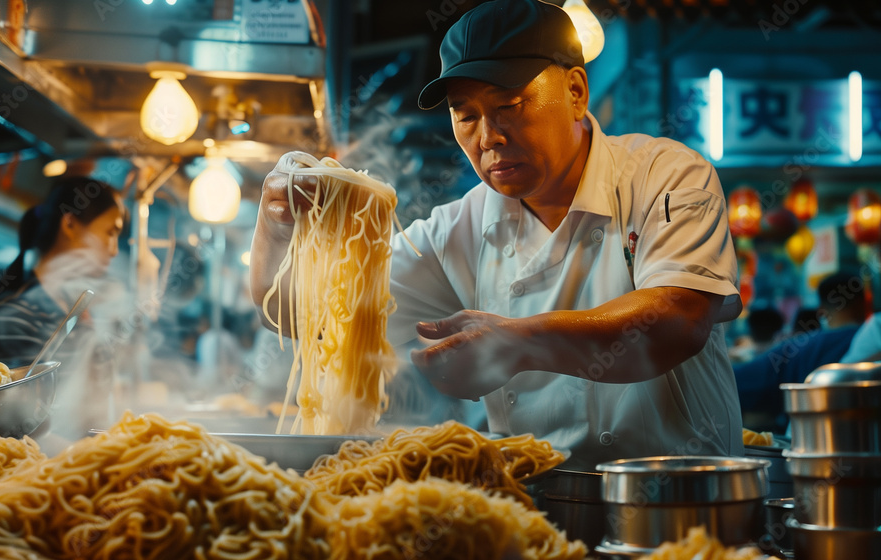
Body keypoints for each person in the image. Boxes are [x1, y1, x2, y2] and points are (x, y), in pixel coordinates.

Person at [250, 0, 743, 469]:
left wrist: (516, 343)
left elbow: (677, 319)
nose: (488, 136)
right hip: (535, 514)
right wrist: (275, 225)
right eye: (466, 115)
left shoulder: (664, 175)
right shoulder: (455, 231)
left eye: (508, 105)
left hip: (685, 507)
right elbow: (304, 314)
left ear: (575, 92)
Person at [0, 176, 126, 439]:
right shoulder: (18, 314)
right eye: (110, 232)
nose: (115, 251)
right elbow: (23, 428)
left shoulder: (77, 309)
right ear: (70, 224)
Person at [734, 270, 868, 432]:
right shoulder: (872, 339)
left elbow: (740, 381)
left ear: (821, 310)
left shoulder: (801, 347)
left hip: (812, 441)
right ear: (864, 302)